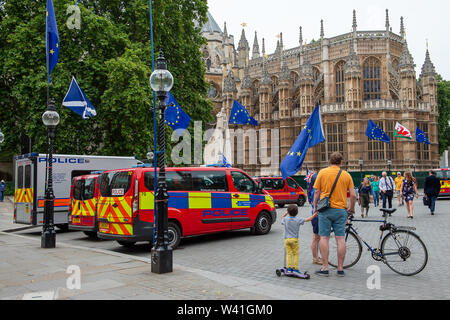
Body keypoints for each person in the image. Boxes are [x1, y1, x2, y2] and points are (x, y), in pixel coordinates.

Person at [313, 152, 356, 277]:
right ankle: (340, 268)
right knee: (340, 239)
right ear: (341, 163)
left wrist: (315, 207)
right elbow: (353, 195)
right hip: (341, 210)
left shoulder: (322, 172)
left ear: (329, 162)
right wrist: (351, 208)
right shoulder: (346, 175)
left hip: (325, 210)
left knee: (324, 238)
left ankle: (325, 267)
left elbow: (316, 192)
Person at [281, 204, 318, 275]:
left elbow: (282, 218)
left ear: (288, 212)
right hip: (294, 240)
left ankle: (289, 268)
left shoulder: (285, 219)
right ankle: (295, 268)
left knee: (289, 254)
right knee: (295, 254)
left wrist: (286, 213)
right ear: (297, 212)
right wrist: (314, 215)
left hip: (287, 240)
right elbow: (308, 219)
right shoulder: (298, 219)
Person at [307, 172, 322, 265]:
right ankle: (315, 258)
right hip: (317, 216)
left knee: (317, 237)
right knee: (316, 238)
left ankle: (316, 257)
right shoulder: (316, 191)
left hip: (315, 215)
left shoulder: (313, 190)